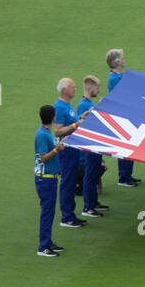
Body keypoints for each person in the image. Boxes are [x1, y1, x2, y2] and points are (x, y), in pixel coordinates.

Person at [53, 78, 88, 228]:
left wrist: (83, 116)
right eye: (72, 87)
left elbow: (72, 122)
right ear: (64, 90)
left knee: (71, 181)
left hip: (72, 149)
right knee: (67, 182)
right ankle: (66, 217)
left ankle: (70, 215)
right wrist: (76, 124)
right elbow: (57, 131)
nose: (75, 89)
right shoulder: (60, 107)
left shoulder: (67, 105)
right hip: (66, 150)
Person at [104, 49, 141, 187]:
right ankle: (123, 177)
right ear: (118, 62)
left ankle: (127, 174)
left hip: (128, 114)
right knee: (126, 145)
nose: (124, 60)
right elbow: (122, 96)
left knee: (131, 145)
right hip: (122, 116)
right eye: (123, 58)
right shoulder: (114, 78)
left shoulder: (120, 76)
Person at [34, 105, 65, 258]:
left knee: (50, 212)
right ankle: (43, 246)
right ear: (53, 118)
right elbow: (43, 158)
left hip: (49, 179)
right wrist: (56, 150)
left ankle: (47, 241)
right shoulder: (42, 135)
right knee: (47, 212)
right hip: (45, 180)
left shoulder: (46, 133)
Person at [76, 76, 108, 218]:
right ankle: (88, 207)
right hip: (90, 146)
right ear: (90, 87)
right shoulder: (83, 105)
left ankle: (94, 202)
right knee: (90, 175)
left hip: (94, 145)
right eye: (97, 88)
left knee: (93, 174)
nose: (99, 90)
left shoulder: (88, 103)